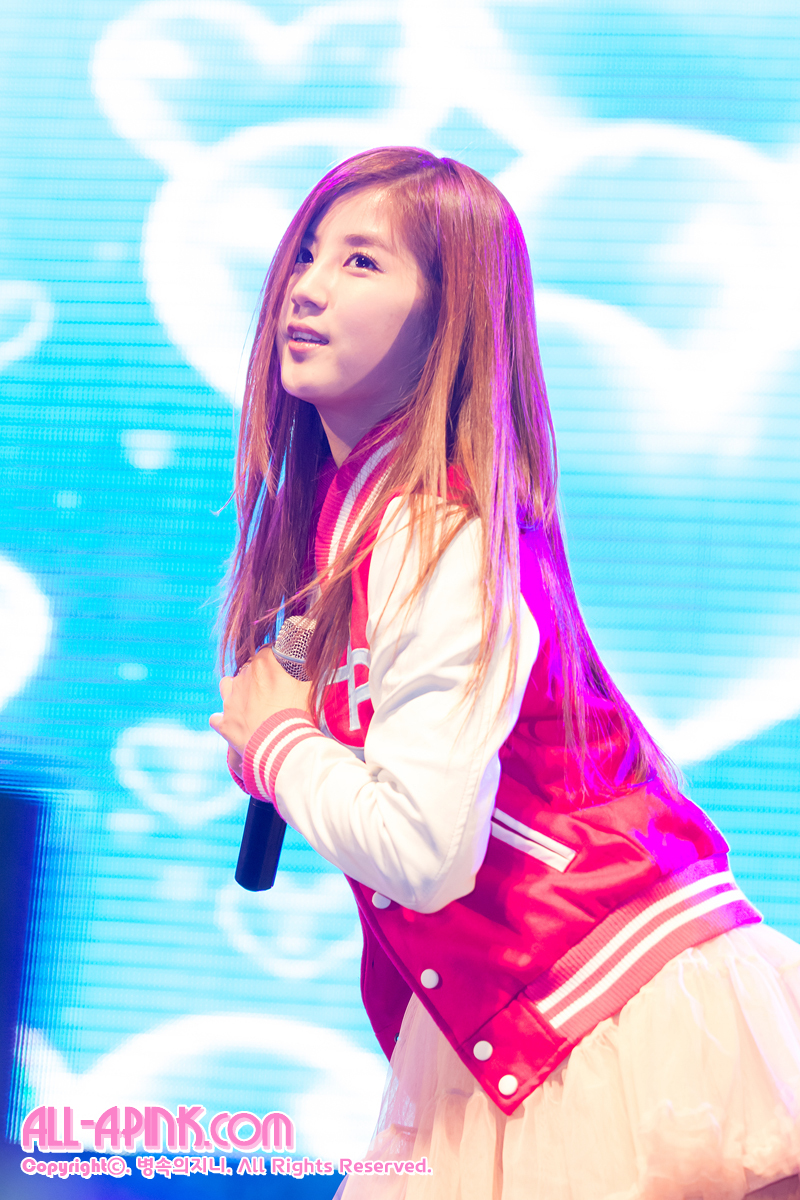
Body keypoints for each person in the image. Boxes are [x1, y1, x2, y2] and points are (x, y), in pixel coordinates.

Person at [209, 147, 800, 1199]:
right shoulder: (355, 525)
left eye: (360, 262)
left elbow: (424, 851)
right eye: (306, 253)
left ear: (448, 317)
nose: (305, 287)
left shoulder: (431, 528)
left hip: (609, 1016)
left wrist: (281, 745)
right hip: (523, 1021)